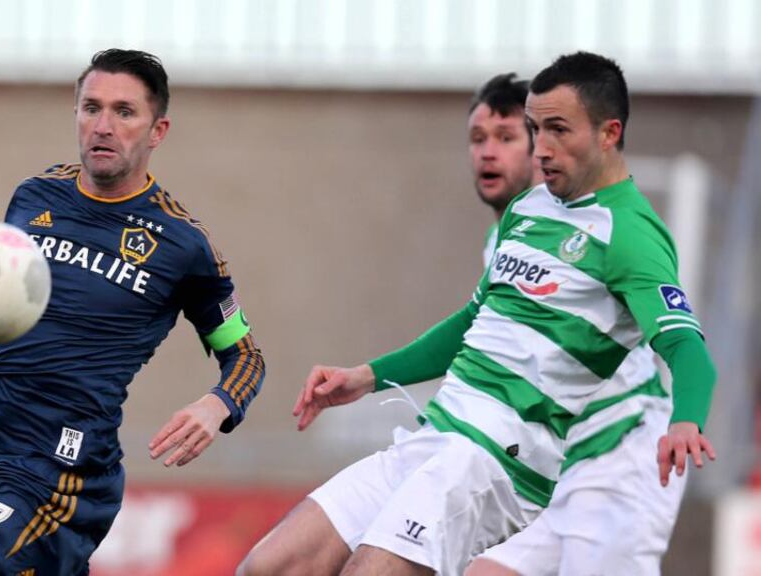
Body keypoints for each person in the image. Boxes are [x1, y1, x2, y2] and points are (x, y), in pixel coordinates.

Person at [238, 51, 715, 576]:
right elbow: (472, 322)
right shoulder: (527, 212)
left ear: (609, 132)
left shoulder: (631, 235)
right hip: (440, 432)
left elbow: (688, 348)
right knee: (271, 566)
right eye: (535, 129)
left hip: (511, 457)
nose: (544, 147)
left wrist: (686, 419)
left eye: (557, 129)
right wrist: (368, 376)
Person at [0, 49, 265, 576]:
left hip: (66, 469)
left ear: (158, 130)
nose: (102, 126)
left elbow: (247, 358)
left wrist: (218, 404)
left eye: (124, 112)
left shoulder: (184, 246)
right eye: (91, 108)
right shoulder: (35, 198)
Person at [465, 73, 689, 575]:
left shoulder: (604, 230)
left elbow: (683, 342)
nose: (488, 153)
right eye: (479, 139)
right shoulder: (506, 238)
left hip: (621, 449)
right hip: (555, 463)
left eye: (508, 137)